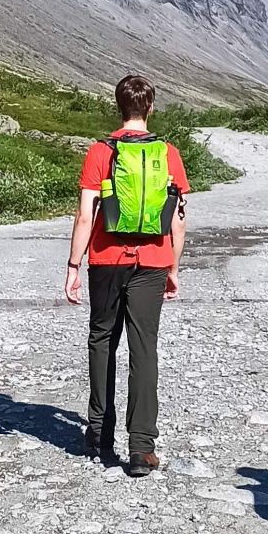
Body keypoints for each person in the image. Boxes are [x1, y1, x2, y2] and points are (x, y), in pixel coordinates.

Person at [64, 74, 188, 475]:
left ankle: (99, 433)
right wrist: (172, 267)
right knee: (144, 348)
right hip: (153, 260)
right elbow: (179, 221)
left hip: (106, 258)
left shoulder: (101, 151)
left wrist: (73, 266)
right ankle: (141, 448)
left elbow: (86, 215)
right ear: (150, 107)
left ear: (118, 106)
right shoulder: (168, 153)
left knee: (101, 340)